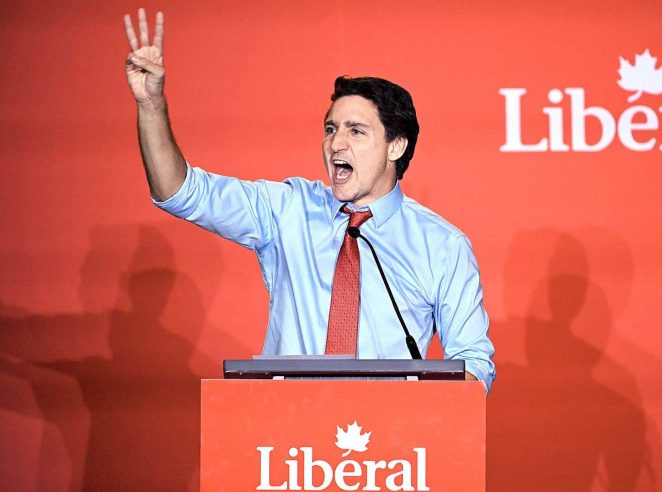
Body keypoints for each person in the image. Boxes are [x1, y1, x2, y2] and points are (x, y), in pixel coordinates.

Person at [123, 9, 495, 390]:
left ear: (395, 146)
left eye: (357, 131)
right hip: (288, 439)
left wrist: (423, 415)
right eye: (331, 129)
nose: (336, 143)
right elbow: (180, 192)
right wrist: (151, 106)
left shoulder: (442, 246)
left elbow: (473, 364)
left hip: (389, 444)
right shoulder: (288, 209)